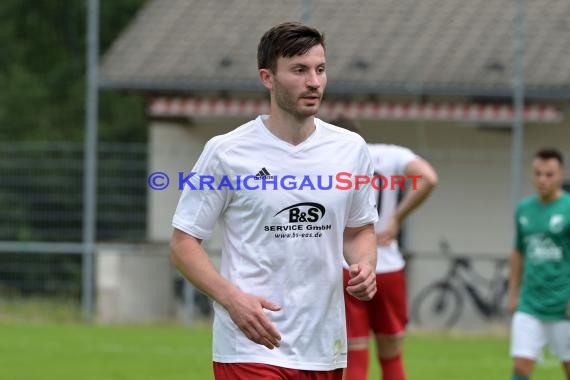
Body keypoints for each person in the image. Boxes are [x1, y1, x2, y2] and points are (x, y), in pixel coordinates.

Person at [170, 22, 379, 380]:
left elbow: (359, 230)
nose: (314, 81)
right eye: (299, 70)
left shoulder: (351, 150)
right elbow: (183, 243)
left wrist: (365, 266)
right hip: (250, 345)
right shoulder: (226, 152)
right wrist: (233, 300)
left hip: (323, 348)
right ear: (268, 78)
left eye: (320, 69)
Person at [332, 115, 438, 380]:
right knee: (391, 355)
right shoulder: (388, 155)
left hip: (347, 265)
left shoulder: (327, 161)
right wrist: (396, 219)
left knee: (355, 352)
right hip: (387, 264)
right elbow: (428, 177)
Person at [507, 148, 570, 380]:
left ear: (561, 175)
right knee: (521, 367)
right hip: (530, 304)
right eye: (538, 173)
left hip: (563, 305)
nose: (542, 179)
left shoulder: (568, 209)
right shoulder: (524, 209)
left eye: (549, 174)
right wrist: (513, 293)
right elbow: (517, 252)